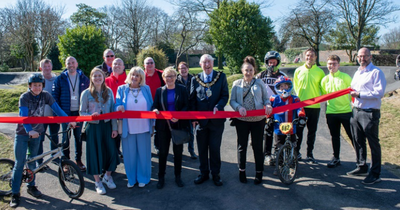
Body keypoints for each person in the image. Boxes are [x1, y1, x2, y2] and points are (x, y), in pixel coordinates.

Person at [10, 74, 76, 208]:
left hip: (38, 133)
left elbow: (56, 109)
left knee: (33, 161)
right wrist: (29, 131)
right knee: (19, 163)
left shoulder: (45, 95)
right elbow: (23, 116)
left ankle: (31, 186)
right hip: (23, 134)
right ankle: (15, 193)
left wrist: (68, 121)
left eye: (39, 85)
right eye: (34, 85)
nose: (37, 88)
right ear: (29, 86)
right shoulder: (25, 97)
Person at [230, 56, 272, 184]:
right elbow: (232, 101)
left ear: (254, 71)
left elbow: (266, 98)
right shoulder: (236, 84)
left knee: (257, 146)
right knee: (242, 146)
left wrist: (268, 105)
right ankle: (242, 171)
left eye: (251, 70)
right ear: (242, 70)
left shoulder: (260, 83)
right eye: (246, 70)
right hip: (241, 120)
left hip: (258, 120)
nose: (248, 72)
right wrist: (238, 107)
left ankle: (259, 173)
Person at [347, 47, 387, 185]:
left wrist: (359, 94)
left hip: (369, 112)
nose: (362, 59)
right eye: (359, 56)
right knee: (358, 140)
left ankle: (375, 173)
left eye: (365, 56)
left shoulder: (376, 72)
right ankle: (361, 166)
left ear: (370, 57)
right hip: (356, 110)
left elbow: (379, 92)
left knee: (373, 143)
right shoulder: (357, 72)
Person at [189, 54, 229, 186]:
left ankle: (216, 174)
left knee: (215, 149)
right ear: (200, 64)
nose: (207, 65)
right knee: (201, 149)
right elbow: (192, 100)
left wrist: (219, 106)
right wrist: (194, 118)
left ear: (213, 63)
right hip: (201, 122)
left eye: (209, 62)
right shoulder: (195, 79)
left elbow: (225, 95)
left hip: (216, 121)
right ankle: (203, 173)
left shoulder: (221, 76)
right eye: (204, 62)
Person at [80, 68, 119, 195]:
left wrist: (114, 128)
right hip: (93, 127)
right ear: (91, 78)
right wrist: (90, 116)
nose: (97, 78)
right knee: (94, 153)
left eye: (100, 76)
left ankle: (107, 176)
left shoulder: (109, 92)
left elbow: (113, 111)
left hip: (107, 126)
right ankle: (97, 181)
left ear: (103, 77)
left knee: (112, 152)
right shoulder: (86, 93)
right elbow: (81, 112)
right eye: (95, 76)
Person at [115, 67, 154, 188]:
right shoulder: (121, 89)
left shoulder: (146, 89)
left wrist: (153, 125)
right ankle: (131, 179)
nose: (134, 77)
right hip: (128, 128)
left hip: (144, 128)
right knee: (129, 156)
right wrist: (119, 108)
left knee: (144, 155)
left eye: (137, 75)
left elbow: (152, 106)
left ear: (141, 78)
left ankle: (143, 178)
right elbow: (116, 104)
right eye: (133, 75)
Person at [153, 67, 190, 189]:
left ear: (175, 77)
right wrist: (155, 110)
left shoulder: (182, 89)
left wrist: (179, 116)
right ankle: (161, 177)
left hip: (178, 125)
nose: (169, 78)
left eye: (172, 76)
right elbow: (155, 105)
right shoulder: (160, 91)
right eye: (167, 76)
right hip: (163, 126)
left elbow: (186, 105)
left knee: (178, 153)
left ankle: (178, 176)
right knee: (163, 153)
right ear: (163, 78)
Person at [52, 56, 90, 171]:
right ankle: (66, 162)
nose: (71, 65)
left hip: (78, 114)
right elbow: (55, 97)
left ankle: (78, 160)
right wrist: (59, 114)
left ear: (77, 64)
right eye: (69, 63)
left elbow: (89, 95)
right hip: (65, 114)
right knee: (65, 138)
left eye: (73, 63)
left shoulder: (84, 78)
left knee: (78, 137)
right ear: (66, 65)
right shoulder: (60, 79)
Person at [293, 48, 325, 163]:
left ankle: (310, 154)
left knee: (312, 132)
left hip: (314, 107)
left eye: (312, 56)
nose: (309, 58)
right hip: (300, 107)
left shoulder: (320, 72)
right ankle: (296, 153)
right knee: (298, 132)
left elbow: (323, 89)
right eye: (307, 56)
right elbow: (295, 88)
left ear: (315, 57)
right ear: (304, 57)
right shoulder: (298, 71)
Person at [269, 76, 306, 175]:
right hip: (278, 127)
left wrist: (301, 116)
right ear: (277, 88)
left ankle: (292, 163)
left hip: (291, 127)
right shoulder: (274, 98)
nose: (283, 88)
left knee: (293, 144)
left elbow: (300, 108)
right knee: (278, 146)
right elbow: (268, 108)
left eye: (286, 85)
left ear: (289, 86)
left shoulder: (295, 99)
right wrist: (268, 117)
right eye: (281, 86)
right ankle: (279, 165)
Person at [320, 55, 353, 168]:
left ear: (339, 65)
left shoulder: (346, 77)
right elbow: (324, 96)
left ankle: (361, 160)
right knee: (335, 136)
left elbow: (353, 92)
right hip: (331, 112)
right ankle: (336, 158)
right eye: (329, 64)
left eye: (334, 64)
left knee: (352, 136)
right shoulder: (324, 80)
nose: (332, 66)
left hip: (346, 112)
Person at [256, 51, 287, 166]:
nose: (272, 65)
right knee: (267, 131)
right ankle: (267, 154)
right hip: (265, 108)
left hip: (279, 108)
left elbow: (288, 91)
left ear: (278, 63)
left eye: (274, 62)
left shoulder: (282, 76)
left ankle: (278, 153)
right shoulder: (261, 75)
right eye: (270, 62)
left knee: (279, 132)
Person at [36, 59, 61, 169]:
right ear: (41, 68)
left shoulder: (56, 79)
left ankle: (54, 158)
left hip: (54, 114)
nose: (47, 68)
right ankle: (39, 161)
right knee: (40, 139)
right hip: (40, 116)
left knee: (54, 137)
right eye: (44, 66)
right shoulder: (37, 80)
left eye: (48, 66)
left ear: (51, 66)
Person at [105, 58, 127, 158]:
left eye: (119, 64)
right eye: (115, 64)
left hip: (125, 114)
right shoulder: (105, 81)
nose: (117, 66)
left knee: (125, 137)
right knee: (113, 136)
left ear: (123, 67)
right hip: (111, 114)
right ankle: (114, 154)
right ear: (111, 66)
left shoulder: (129, 80)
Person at [176, 61, 198, 159]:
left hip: (190, 109)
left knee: (191, 132)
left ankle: (191, 150)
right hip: (180, 109)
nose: (183, 70)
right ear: (178, 70)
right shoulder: (176, 80)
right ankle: (179, 151)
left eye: (185, 68)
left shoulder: (194, 79)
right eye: (181, 68)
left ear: (188, 69)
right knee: (179, 131)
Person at [143, 57, 165, 155]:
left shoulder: (161, 74)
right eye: (148, 63)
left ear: (154, 64)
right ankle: (146, 147)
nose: (150, 65)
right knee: (145, 128)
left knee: (158, 128)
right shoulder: (141, 75)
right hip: (145, 106)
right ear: (144, 65)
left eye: (152, 62)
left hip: (158, 105)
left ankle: (158, 146)